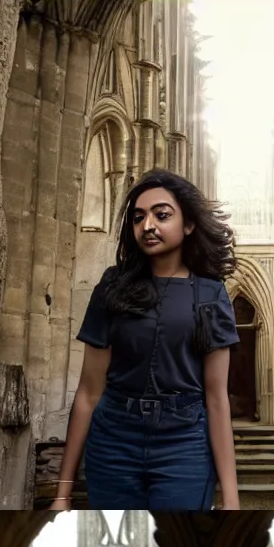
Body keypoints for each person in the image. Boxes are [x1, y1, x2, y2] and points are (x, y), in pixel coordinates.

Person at [51, 171, 240, 511]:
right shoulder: (113, 287)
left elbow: (216, 399)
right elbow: (88, 392)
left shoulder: (211, 295)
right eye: (139, 217)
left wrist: (231, 497)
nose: (147, 225)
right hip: (114, 441)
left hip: (183, 443)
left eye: (161, 215)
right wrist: (63, 494)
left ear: (188, 225)